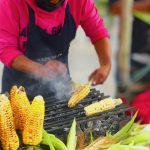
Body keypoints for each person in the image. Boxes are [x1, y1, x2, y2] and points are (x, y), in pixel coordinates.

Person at [0, 0, 111, 98]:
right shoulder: (11, 2)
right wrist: (40, 69)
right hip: (18, 89)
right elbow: (5, 48)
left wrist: (106, 64)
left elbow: (97, 30)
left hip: (60, 83)